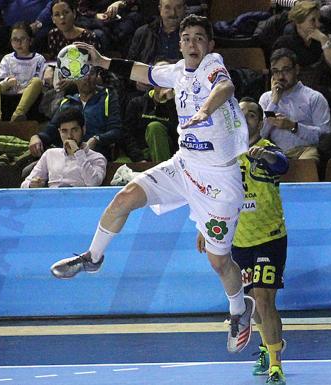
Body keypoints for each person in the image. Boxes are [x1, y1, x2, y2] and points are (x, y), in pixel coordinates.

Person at [48, 14, 255, 355]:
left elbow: (225, 87)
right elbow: (140, 71)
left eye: (199, 38)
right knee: (124, 197)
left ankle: (238, 309)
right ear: (180, 44)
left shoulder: (213, 65)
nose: (192, 43)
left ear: (210, 45)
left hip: (220, 180)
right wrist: (101, 62)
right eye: (186, 38)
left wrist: (204, 110)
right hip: (184, 165)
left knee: (220, 262)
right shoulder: (176, 72)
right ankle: (93, 257)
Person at [197, 97, 289, 385]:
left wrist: (263, 158)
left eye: (252, 115)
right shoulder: (224, 156)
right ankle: (266, 346)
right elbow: (212, 195)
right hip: (238, 239)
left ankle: (276, 365)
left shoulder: (265, 149)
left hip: (270, 237)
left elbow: (282, 165)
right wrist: (204, 227)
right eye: (242, 114)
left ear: (260, 123)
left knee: (264, 299)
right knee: (252, 301)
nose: (246, 118)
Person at [30, 67, 123, 161]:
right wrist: (37, 137)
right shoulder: (67, 102)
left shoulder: (108, 97)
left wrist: (97, 139)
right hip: (66, 157)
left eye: (91, 73)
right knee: (27, 170)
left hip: (95, 157)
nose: (87, 78)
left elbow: (116, 131)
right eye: (82, 75)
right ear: (74, 78)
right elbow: (52, 128)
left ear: (97, 76)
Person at [259, 48, 331, 163]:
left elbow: (324, 136)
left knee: (307, 161)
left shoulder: (314, 97)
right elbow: (260, 134)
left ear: (296, 69)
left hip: (305, 151)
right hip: (275, 152)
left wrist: (293, 126)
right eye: (276, 71)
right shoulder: (266, 99)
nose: (281, 76)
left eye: (286, 70)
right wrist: (274, 101)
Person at [272, 1, 331, 102]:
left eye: (318, 20)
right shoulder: (284, 43)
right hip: (291, 91)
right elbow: (278, 74)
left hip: (318, 91)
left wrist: (324, 41)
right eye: (312, 20)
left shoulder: (323, 39)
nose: (318, 24)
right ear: (299, 22)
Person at [21, 107, 106, 188]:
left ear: (83, 130)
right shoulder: (50, 154)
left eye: (74, 130)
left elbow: (94, 184)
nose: (69, 136)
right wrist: (31, 185)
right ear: (59, 132)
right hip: (53, 200)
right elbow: (24, 185)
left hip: (80, 201)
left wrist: (77, 152)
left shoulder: (97, 158)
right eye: (64, 131)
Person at [0, 22, 46, 122]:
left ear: (30, 41)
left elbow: (39, 82)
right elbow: (0, 81)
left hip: (27, 96)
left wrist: (24, 88)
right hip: (8, 92)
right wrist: (7, 82)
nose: (18, 43)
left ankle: (17, 116)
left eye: (22, 39)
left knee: (37, 82)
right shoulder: (7, 58)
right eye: (15, 40)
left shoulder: (38, 59)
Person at [122, 60, 178, 162]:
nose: (163, 79)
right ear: (151, 79)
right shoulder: (136, 103)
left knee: (154, 127)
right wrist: (138, 159)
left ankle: (162, 172)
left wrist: (171, 102)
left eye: (167, 75)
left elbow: (179, 134)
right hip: (141, 155)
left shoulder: (180, 105)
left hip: (170, 156)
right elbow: (127, 134)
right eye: (159, 75)